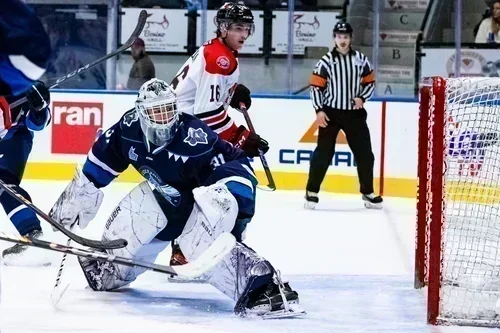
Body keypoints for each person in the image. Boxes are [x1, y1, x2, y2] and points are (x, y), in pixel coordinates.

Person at [48, 78, 304, 318]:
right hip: (170, 197)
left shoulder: (194, 137)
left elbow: (233, 167)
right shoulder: (126, 131)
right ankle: (110, 270)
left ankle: (262, 287)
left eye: (169, 110)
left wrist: (233, 215)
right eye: (156, 111)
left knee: (199, 239)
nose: (165, 118)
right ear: (141, 113)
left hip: (215, 189)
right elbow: (96, 169)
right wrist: (72, 204)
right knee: (138, 212)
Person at [167, 2, 269, 269]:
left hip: (178, 134)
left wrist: (230, 93)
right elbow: (205, 116)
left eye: (247, 28)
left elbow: (203, 99)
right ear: (223, 28)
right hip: (186, 135)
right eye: (237, 28)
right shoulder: (220, 59)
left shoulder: (215, 50)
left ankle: (185, 251)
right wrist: (241, 138)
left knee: (197, 190)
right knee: (241, 182)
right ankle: (229, 250)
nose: (244, 34)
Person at [304, 22, 383, 210]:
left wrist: (362, 98)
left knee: (365, 154)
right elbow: (316, 87)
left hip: (354, 114)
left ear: (351, 38)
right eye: (339, 37)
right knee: (323, 154)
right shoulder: (325, 61)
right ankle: (311, 191)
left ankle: (368, 192)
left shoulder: (361, 60)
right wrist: (319, 110)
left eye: (346, 37)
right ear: (334, 38)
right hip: (330, 113)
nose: (343, 40)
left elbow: (370, 82)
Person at [0, 0, 52, 266]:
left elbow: (38, 124)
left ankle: (32, 234)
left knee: (3, 183)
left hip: (13, 137)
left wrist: (40, 105)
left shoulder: (25, 79)